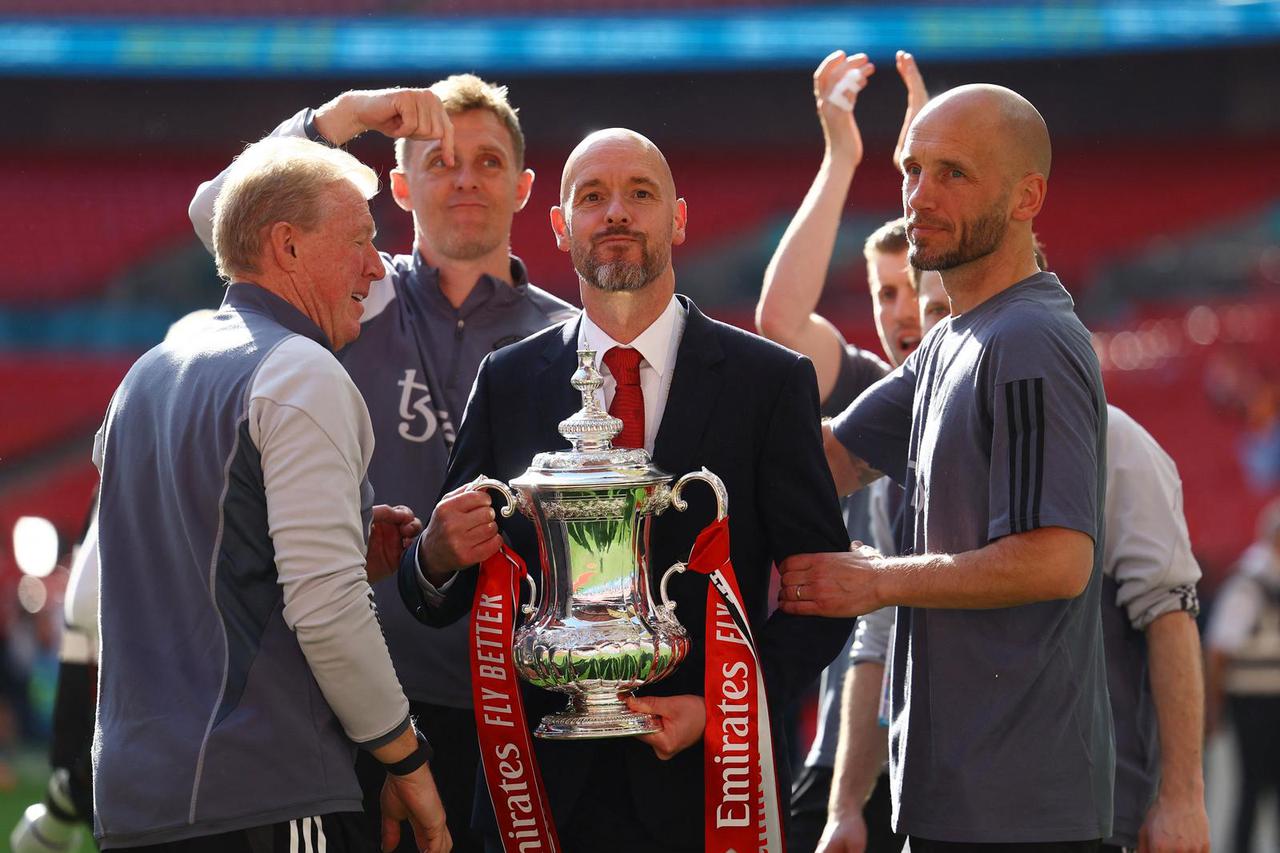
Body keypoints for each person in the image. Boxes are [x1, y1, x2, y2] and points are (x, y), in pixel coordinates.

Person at [400, 127, 854, 852]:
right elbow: (441, 590)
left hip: (709, 789)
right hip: (538, 795)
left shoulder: (769, 383)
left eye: (639, 194)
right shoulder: (507, 381)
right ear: (559, 225)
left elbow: (821, 599)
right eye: (592, 197)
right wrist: (434, 554)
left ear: (677, 218)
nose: (616, 213)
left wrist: (717, 707)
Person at [188, 77, 576, 852]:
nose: (465, 177)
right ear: (398, 184)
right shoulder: (353, 290)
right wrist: (340, 120)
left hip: (527, 704)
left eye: (489, 161)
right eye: (441, 160)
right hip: (355, 705)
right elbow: (217, 214)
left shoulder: (570, 342)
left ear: (525, 187)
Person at [779, 84, 1115, 851]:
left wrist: (877, 581)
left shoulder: (1029, 336)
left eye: (953, 174)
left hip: (1021, 815)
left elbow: (1058, 558)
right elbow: (828, 459)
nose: (918, 197)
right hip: (953, 800)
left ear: (1028, 195)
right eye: (911, 169)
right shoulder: (952, 338)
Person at [94, 136, 448, 852]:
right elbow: (326, 609)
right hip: (263, 791)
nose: (376, 267)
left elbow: (180, 556)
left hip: (134, 804)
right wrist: (405, 755)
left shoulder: (143, 374)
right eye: (358, 240)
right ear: (286, 247)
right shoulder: (299, 371)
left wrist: (342, 534)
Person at [823, 261, 1209, 853]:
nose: (925, 326)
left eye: (942, 311)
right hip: (939, 807)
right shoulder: (894, 459)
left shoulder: (1117, 441)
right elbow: (877, 641)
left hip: (1086, 814)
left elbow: (1169, 615)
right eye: (926, 311)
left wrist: (1182, 798)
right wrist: (848, 805)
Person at [754, 48, 929, 853]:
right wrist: (842, 155)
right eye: (885, 293)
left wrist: (928, 164)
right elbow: (781, 322)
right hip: (846, 755)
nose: (904, 311)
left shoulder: (996, 386)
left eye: (918, 288)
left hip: (954, 756)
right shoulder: (864, 387)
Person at [1206, 497, 1280, 853]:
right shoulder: (1250, 582)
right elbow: (1220, 648)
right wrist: (1213, 706)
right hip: (1253, 699)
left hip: (1270, 696)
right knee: (1252, 784)